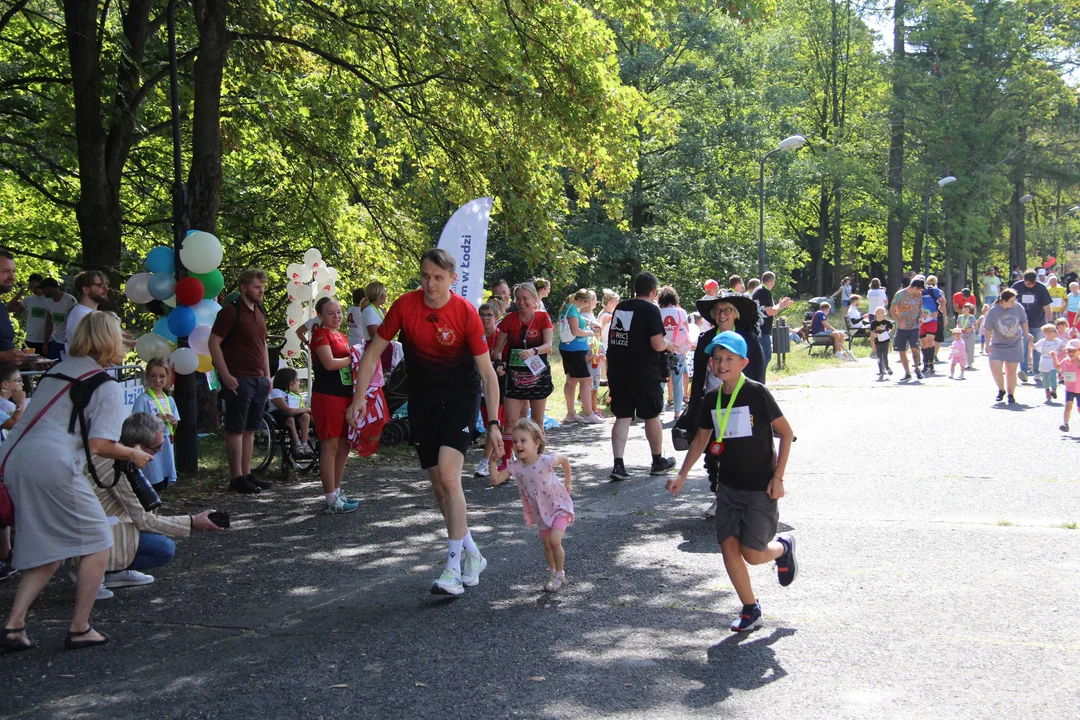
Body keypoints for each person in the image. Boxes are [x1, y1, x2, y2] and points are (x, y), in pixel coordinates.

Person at [347, 248, 503, 596]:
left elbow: (487, 374)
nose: (430, 284)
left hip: (461, 398)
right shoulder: (405, 305)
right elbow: (372, 352)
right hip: (423, 400)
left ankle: (451, 568)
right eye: (424, 276)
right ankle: (472, 554)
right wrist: (359, 397)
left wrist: (493, 422)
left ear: (452, 279)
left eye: (437, 277)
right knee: (439, 487)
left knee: (450, 477)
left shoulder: (465, 313)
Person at [0, 312, 153, 652]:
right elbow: (100, 445)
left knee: (51, 546)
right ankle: (80, 627)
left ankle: (14, 625)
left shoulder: (57, 369)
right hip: (51, 464)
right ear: (109, 340)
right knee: (98, 540)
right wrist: (134, 454)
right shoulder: (104, 385)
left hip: (14, 458)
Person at [664, 331, 796, 633]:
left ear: (743, 363)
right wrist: (682, 474)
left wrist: (778, 477)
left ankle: (783, 549)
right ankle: (750, 608)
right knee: (728, 546)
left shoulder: (757, 393)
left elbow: (786, 434)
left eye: (729, 359)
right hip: (727, 487)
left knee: (753, 553)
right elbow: (701, 440)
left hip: (761, 487)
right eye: (717, 358)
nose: (721, 364)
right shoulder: (712, 399)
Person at [93, 412, 223, 590]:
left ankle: (110, 570)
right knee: (162, 548)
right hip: (92, 532)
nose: (160, 451)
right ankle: (99, 571)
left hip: (99, 523)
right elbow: (144, 520)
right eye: (157, 447)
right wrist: (192, 522)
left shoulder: (116, 455)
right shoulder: (118, 466)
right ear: (138, 447)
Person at [488, 418, 574, 592]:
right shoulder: (516, 467)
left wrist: (568, 482)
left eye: (523, 440)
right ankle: (552, 572)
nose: (518, 445)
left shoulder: (546, 460)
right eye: (515, 441)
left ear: (536, 443)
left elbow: (565, 460)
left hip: (559, 506)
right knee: (547, 545)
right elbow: (496, 480)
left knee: (555, 540)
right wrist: (492, 461)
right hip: (540, 511)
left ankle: (559, 574)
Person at [606, 272, 676, 481]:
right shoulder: (651, 310)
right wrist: (668, 345)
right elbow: (657, 343)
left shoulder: (621, 307)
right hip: (644, 371)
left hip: (618, 369)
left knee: (623, 416)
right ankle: (657, 461)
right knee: (651, 415)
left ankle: (618, 464)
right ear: (654, 291)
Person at [209, 268, 272, 495]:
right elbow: (214, 343)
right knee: (236, 428)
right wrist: (225, 375)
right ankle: (236, 477)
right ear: (244, 287)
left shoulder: (259, 311)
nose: (261, 290)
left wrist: (267, 374)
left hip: (258, 379)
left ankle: (247, 474)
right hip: (238, 377)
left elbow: (263, 344)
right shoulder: (230, 311)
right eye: (257, 286)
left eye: (262, 286)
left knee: (250, 428)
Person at [309, 297, 360, 514]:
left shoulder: (340, 335)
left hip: (344, 396)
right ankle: (330, 498)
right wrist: (354, 358)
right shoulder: (320, 334)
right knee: (330, 446)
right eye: (331, 313)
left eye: (338, 312)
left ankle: (337, 492)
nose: (336, 316)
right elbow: (329, 364)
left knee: (344, 445)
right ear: (320, 315)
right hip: (327, 396)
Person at [493, 281, 555, 458]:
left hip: (538, 375)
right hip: (515, 377)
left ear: (534, 299)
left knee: (537, 421)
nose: (521, 302)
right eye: (518, 298)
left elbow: (548, 345)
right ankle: (507, 460)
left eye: (525, 298)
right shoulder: (509, 320)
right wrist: (498, 364)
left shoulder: (543, 317)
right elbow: (497, 351)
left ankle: (538, 459)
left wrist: (533, 351)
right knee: (511, 421)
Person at [131, 357, 180, 493]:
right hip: (150, 449)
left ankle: (154, 513)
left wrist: (174, 422)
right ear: (147, 376)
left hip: (166, 447)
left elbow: (175, 426)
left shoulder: (169, 400)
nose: (158, 380)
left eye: (162, 376)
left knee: (162, 486)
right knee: (152, 485)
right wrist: (152, 421)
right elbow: (135, 425)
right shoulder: (143, 399)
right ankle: (149, 513)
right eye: (153, 376)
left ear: (168, 377)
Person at [557, 289, 601, 424]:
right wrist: (590, 334)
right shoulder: (572, 309)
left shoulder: (570, 307)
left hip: (570, 349)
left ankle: (571, 414)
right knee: (586, 380)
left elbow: (579, 319)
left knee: (571, 380)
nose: (586, 306)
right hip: (574, 350)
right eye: (586, 304)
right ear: (582, 301)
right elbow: (575, 330)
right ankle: (588, 414)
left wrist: (590, 323)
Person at [475, 301, 507, 477]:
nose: (485, 318)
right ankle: (491, 459)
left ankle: (487, 460)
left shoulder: (500, 336)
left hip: (496, 385)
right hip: (476, 385)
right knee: (488, 424)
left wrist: (501, 367)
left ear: (497, 317)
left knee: (496, 424)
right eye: (482, 315)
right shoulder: (474, 335)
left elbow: (507, 358)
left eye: (489, 315)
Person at [983, 288, 1031, 404]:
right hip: (997, 344)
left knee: (1011, 371)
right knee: (995, 367)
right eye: (1011, 301)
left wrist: (1026, 333)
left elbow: (1024, 321)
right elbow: (988, 329)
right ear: (1003, 301)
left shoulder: (1018, 307)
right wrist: (987, 344)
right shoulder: (993, 311)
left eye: (1014, 300)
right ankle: (1001, 389)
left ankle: (1011, 394)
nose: (1013, 303)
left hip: (1014, 344)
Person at [1011, 269, 1053, 384]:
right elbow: (1009, 302)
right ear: (1023, 280)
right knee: (1023, 347)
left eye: (1033, 283)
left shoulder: (1041, 288)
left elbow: (1047, 306)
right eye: (1029, 283)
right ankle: (1023, 371)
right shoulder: (1017, 286)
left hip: (1038, 322)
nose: (1031, 285)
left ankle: (1037, 372)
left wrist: (1050, 322)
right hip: (1021, 322)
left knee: (1037, 348)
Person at [751, 272, 793, 382]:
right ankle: (760, 383)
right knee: (764, 358)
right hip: (762, 331)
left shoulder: (758, 290)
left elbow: (772, 312)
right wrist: (781, 305)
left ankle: (759, 382)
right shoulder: (764, 292)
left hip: (760, 330)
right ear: (772, 281)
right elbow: (769, 311)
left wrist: (779, 306)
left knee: (763, 357)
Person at [658, 286, 692, 420]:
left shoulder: (658, 312)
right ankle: (677, 412)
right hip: (677, 350)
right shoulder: (681, 312)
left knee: (661, 381)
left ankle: (659, 409)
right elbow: (686, 332)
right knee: (677, 383)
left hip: (662, 350)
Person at [268, 367, 314, 458]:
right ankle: (297, 443)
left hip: (292, 414)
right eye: (297, 380)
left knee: (305, 416)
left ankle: (305, 443)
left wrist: (307, 411)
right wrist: (308, 409)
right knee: (290, 418)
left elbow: (298, 409)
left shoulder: (295, 395)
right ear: (290, 382)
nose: (299, 383)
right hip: (277, 414)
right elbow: (287, 410)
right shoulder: (276, 392)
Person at [65, 270, 109, 356]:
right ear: (86, 289)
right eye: (101, 285)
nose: (106, 289)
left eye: (106, 285)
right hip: (88, 368)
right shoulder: (80, 315)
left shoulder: (88, 313)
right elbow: (86, 350)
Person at [889, 276, 924, 381]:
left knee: (915, 348)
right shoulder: (899, 295)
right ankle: (907, 373)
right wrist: (900, 321)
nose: (921, 291)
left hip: (914, 326)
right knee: (902, 350)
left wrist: (921, 317)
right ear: (915, 287)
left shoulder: (919, 295)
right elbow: (892, 311)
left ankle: (917, 368)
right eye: (920, 289)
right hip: (902, 327)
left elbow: (920, 308)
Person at [0, 252, 29, 368]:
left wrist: (26, 362)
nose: (13, 277)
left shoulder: (2, 308)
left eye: (13, 271)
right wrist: (3, 356)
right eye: (5, 271)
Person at [8, 273, 47, 355]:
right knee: (25, 365)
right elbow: (10, 309)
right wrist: (19, 294)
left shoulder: (50, 299)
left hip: (46, 341)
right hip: (30, 340)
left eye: (36, 287)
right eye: (31, 287)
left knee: (44, 365)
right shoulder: (29, 299)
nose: (33, 290)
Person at [39, 278, 78, 360]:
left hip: (69, 341)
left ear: (51, 287)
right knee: (53, 365)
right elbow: (49, 322)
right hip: (56, 340)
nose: (42, 291)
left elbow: (75, 321)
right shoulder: (48, 302)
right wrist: (45, 343)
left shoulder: (69, 300)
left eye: (43, 289)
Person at [1052, 340, 1080, 432]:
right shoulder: (1065, 361)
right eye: (1069, 351)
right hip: (1070, 389)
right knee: (1068, 405)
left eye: (1074, 351)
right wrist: (1054, 357)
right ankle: (1065, 424)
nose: (1071, 353)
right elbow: (1057, 367)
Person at [1033, 323, 1062, 403]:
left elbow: (1061, 348)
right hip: (1044, 362)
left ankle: (1053, 389)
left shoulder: (1057, 341)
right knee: (1045, 378)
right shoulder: (1042, 341)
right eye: (1054, 331)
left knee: (1053, 375)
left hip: (1053, 362)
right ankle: (1047, 391)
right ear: (1048, 333)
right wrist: (1030, 340)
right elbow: (1034, 347)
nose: (1056, 332)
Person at [597, 289, 619, 386]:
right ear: (610, 303)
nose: (618, 303)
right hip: (607, 348)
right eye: (616, 301)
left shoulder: (603, 313)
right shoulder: (607, 316)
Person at [868, 307, 893, 379]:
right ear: (876, 313)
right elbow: (872, 331)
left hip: (885, 341)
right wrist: (874, 334)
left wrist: (889, 332)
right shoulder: (874, 323)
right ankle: (881, 371)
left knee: (885, 356)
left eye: (883, 312)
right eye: (880, 312)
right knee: (879, 357)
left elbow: (892, 327)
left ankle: (887, 367)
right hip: (878, 341)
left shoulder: (886, 322)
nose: (882, 314)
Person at [955, 303, 977, 371]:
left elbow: (975, 326)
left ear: (969, 310)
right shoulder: (960, 317)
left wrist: (970, 329)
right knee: (963, 348)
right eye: (964, 308)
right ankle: (963, 361)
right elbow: (958, 325)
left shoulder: (971, 317)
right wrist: (958, 330)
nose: (965, 310)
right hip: (962, 334)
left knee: (970, 348)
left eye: (967, 309)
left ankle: (970, 362)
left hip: (970, 333)